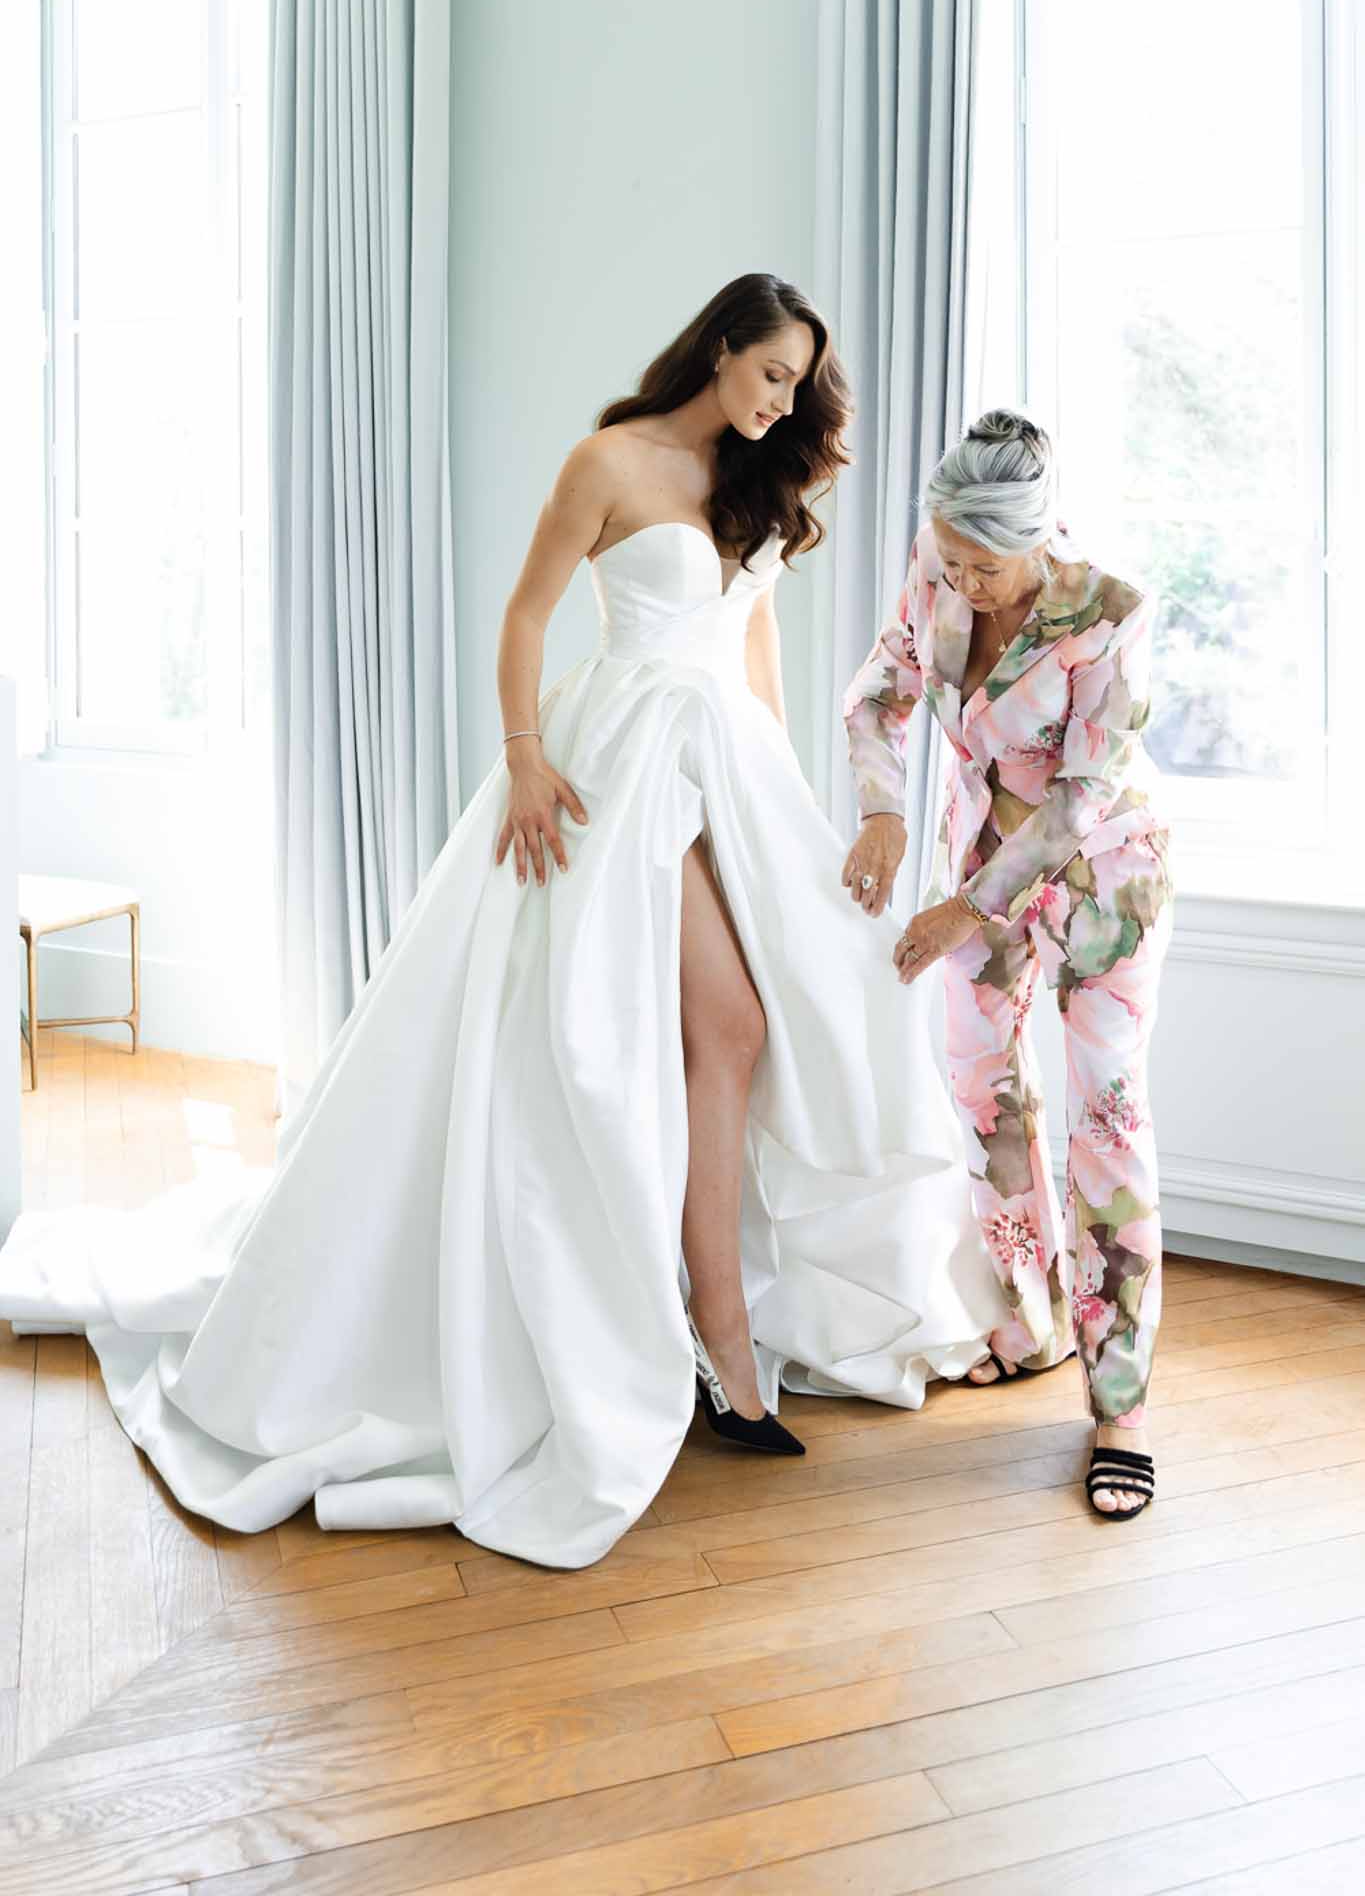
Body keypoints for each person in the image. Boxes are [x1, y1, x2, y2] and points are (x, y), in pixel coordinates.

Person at [0, 274, 1008, 1572]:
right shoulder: (610, 459)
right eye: (769, 374)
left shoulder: (759, 490)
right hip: (616, 772)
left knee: (743, 1038)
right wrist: (525, 758)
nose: (782, 401)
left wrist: (792, 812)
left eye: (798, 384)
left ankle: (721, 1332)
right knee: (643, 1043)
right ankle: (712, 1341)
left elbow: (748, 656)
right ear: (717, 351)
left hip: (727, 780)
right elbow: (527, 616)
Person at [841, 409, 1173, 1520]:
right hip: (970, 876)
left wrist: (956, 904)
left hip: (1099, 886)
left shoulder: (1111, 616)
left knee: (1105, 1120)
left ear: (1037, 541)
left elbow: (1079, 797)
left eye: (983, 565)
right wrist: (885, 812)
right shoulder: (936, 575)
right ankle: (1027, 1320)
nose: (962, 584)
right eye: (948, 559)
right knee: (986, 1095)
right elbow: (877, 695)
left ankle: (1118, 1399)